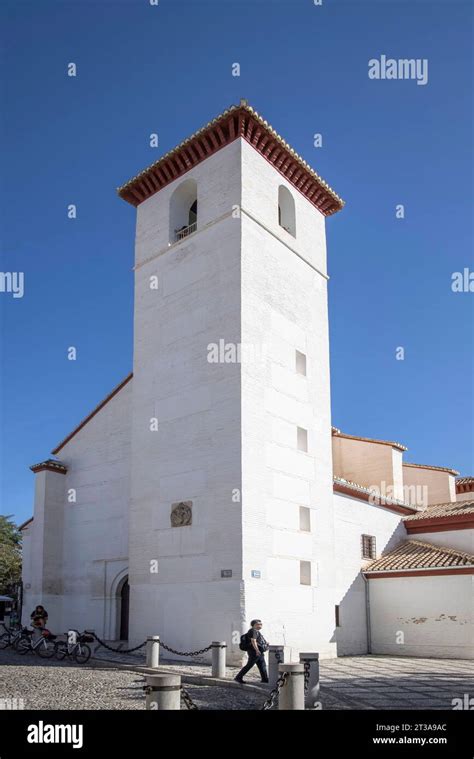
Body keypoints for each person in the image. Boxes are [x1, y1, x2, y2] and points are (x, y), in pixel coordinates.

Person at [234, 619, 269, 684]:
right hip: (254, 652)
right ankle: (238, 677)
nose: (260, 626)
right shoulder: (253, 631)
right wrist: (257, 650)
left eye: (261, 624)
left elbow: (258, 640)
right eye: (258, 624)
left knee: (262, 665)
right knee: (249, 665)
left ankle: (265, 679)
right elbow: (253, 641)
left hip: (258, 652)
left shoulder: (257, 631)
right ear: (253, 625)